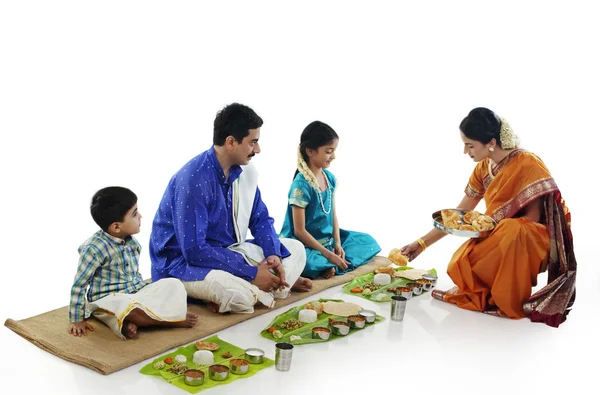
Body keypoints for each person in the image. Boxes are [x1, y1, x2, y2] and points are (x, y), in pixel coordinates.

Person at [400, 108, 576, 327]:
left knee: (513, 229)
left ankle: (507, 297)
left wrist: (497, 232)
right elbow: (458, 214)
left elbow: (532, 220)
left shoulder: (527, 163)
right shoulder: (484, 168)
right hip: (502, 234)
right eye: (464, 144)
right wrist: (421, 244)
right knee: (460, 263)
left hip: (529, 239)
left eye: (470, 145)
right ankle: (492, 289)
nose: (465, 151)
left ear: (491, 142)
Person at [149, 103, 312, 314]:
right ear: (231, 142)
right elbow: (193, 251)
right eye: (253, 142)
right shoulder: (194, 180)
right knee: (237, 296)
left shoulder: (243, 172)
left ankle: (264, 285)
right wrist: (251, 272)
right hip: (181, 265)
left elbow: (260, 219)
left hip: (227, 252)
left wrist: (272, 255)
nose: (258, 150)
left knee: (295, 249)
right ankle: (265, 287)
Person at [68, 187, 197, 340]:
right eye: (135, 214)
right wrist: (77, 319)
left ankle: (136, 321)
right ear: (116, 227)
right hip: (109, 299)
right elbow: (79, 284)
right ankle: (168, 322)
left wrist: (148, 293)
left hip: (135, 293)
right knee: (124, 305)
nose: (140, 216)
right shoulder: (94, 249)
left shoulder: (131, 241)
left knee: (173, 284)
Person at [279, 121, 381, 279]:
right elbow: (299, 232)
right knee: (305, 262)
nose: (333, 156)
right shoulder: (300, 186)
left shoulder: (329, 178)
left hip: (328, 241)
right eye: (328, 151)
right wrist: (329, 254)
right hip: (303, 244)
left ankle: (330, 265)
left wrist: (338, 244)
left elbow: (333, 215)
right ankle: (328, 264)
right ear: (310, 151)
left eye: (334, 151)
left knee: (368, 241)